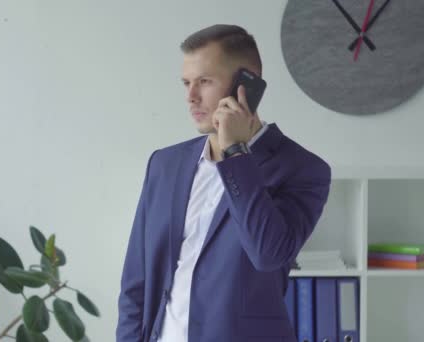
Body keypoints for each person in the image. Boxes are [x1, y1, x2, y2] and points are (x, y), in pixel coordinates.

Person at [116, 24, 331, 341]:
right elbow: (137, 282)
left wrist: (236, 155)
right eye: (186, 83)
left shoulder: (302, 169)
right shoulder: (165, 164)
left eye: (204, 82)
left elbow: (268, 254)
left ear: (247, 86)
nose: (191, 97)